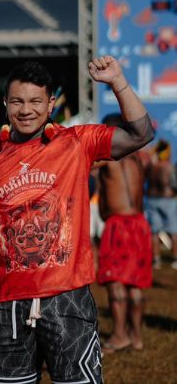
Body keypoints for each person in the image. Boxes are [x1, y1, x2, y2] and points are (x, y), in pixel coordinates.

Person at [0, 57, 154, 383]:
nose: (26, 110)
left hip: (68, 300)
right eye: (17, 101)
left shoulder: (76, 143)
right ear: (5, 104)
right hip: (8, 306)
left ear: (50, 105)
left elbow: (140, 132)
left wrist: (118, 81)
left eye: (35, 101)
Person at [96, 114, 152, 352]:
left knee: (116, 282)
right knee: (135, 284)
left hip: (119, 225)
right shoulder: (143, 159)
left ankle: (119, 336)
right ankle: (136, 337)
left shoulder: (108, 158)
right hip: (139, 223)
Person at [146, 140, 176, 268]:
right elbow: (175, 185)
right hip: (168, 200)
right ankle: (175, 259)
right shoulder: (169, 167)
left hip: (152, 199)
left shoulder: (152, 166)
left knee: (154, 232)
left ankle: (156, 260)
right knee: (174, 231)